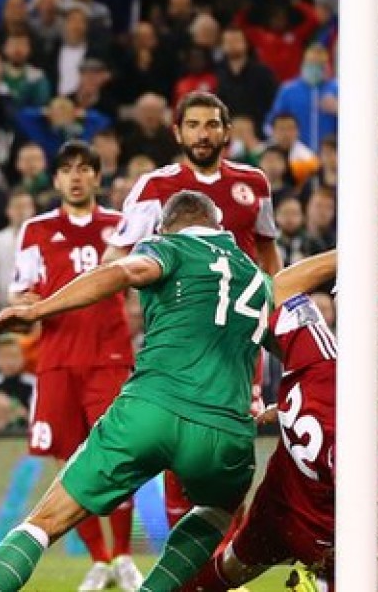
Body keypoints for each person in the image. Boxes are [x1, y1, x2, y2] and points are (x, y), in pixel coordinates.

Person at [0, 190, 271, 592]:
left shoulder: (167, 247)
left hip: (151, 409)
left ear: (164, 226)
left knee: (43, 523)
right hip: (225, 430)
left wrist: (37, 309)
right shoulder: (257, 277)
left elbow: (124, 272)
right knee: (219, 510)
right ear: (219, 226)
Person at [188, 251, 378, 591]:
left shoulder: (318, 355)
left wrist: (352, 255)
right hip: (328, 539)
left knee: (225, 571)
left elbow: (280, 287)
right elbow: (361, 526)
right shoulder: (359, 434)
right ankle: (319, 581)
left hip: (274, 510)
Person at [104, 92, 281, 527]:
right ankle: (184, 553)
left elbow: (267, 255)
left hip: (238, 343)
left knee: (234, 440)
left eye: (212, 125)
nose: (203, 134)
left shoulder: (254, 184)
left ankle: (227, 556)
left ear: (227, 131)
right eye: (194, 125)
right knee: (177, 433)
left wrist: (279, 314)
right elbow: (117, 257)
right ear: (177, 132)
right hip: (179, 336)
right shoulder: (155, 187)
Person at [10, 142, 140, 591]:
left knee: (118, 455)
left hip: (109, 357)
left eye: (85, 169)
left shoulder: (121, 226)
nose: (76, 177)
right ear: (56, 180)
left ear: (98, 177)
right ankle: (100, 560)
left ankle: (123, 555)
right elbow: (21, 292)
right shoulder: (36, 229)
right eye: (67, 170)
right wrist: (25, 301)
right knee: (69, 463)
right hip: (58, 359)